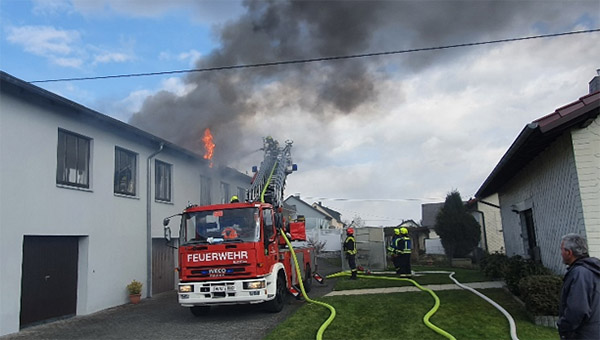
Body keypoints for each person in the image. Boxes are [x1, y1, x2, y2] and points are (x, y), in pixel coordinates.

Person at [557, 233, 600, 340]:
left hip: (584, 334)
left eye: (562, 249)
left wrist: (563, 327)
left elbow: (577, 309)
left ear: (569, 252)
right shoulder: (593, 270)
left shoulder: (580, 273)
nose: (561, 253)